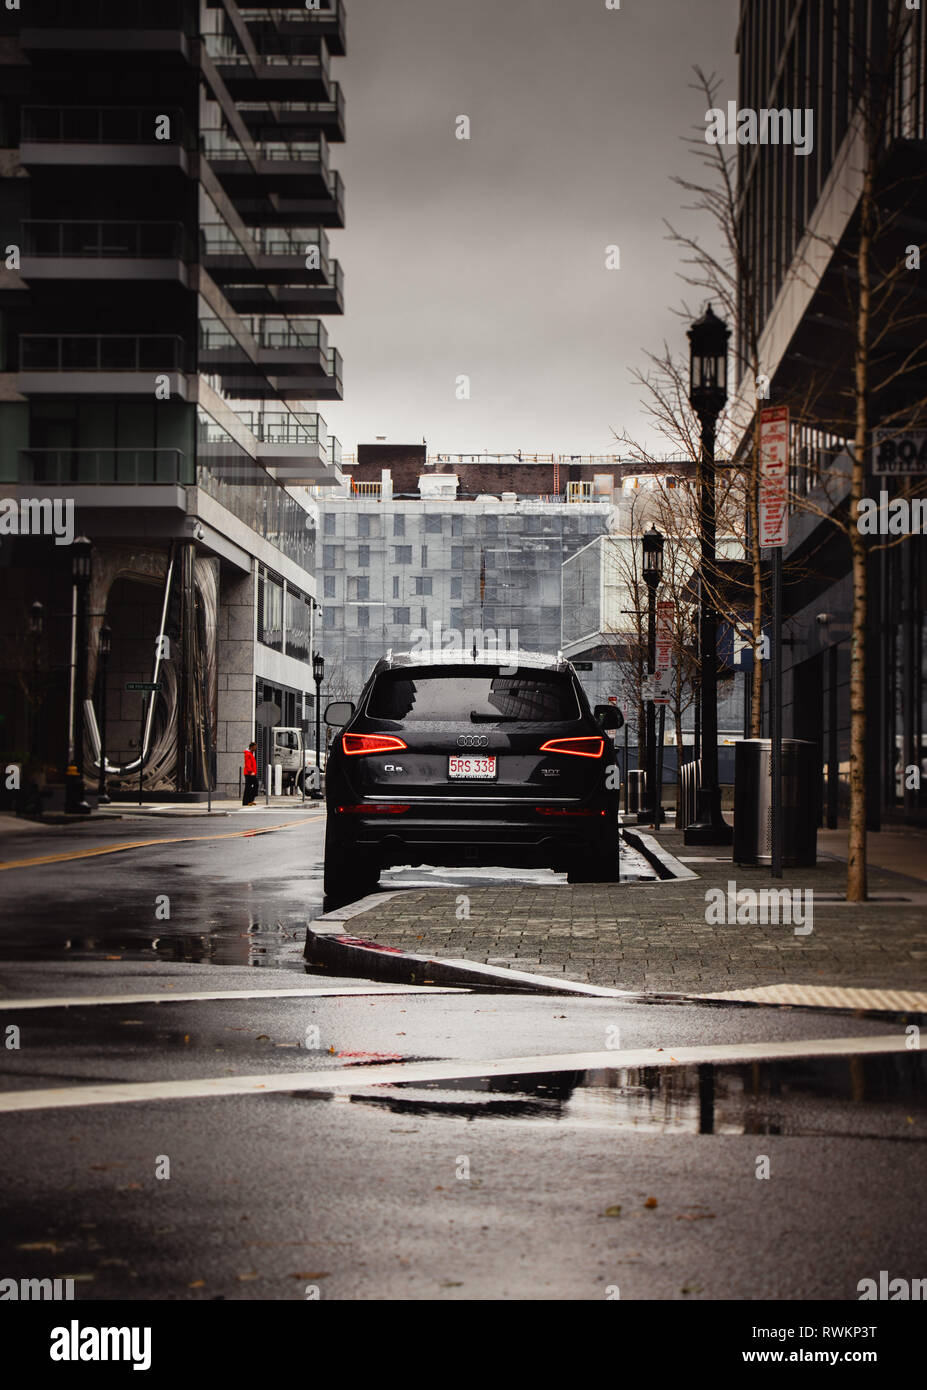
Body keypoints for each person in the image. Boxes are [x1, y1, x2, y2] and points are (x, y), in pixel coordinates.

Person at [243, 741, 259, 806]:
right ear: (252, 747)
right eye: (255, 747)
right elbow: (248, 764)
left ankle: (249, 800)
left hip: (251, 773)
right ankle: (248, 800)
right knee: (253, 785)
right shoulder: (248, 754)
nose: (256, 749)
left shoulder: (250, 753)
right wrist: (251, 771)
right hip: (249, 773)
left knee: (249, 787)